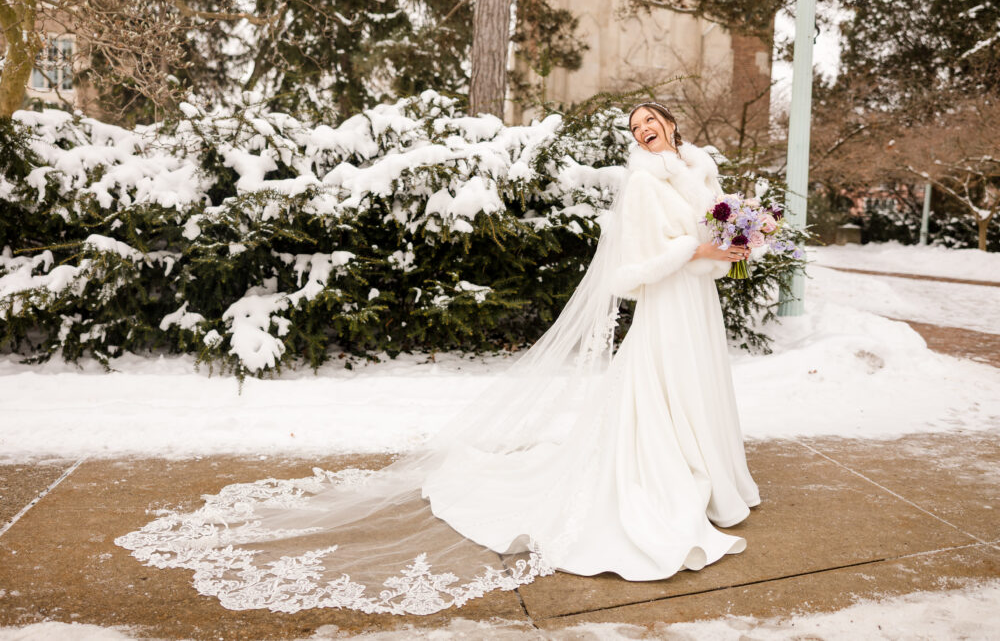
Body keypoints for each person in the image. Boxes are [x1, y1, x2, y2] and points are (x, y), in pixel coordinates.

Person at [114, 102, 761, 616]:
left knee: (700, 390)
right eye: (635, 127)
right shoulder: (643, 186)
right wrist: (698, 254)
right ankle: (674, 486)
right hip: (667, 308)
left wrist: (737, 245)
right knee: (664, 393)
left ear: (672, 124)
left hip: (697, 308)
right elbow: (631, 272)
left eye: (652, 121)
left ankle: (713, 481)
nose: (645, 131)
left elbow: (715, 227)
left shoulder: (700, 170)